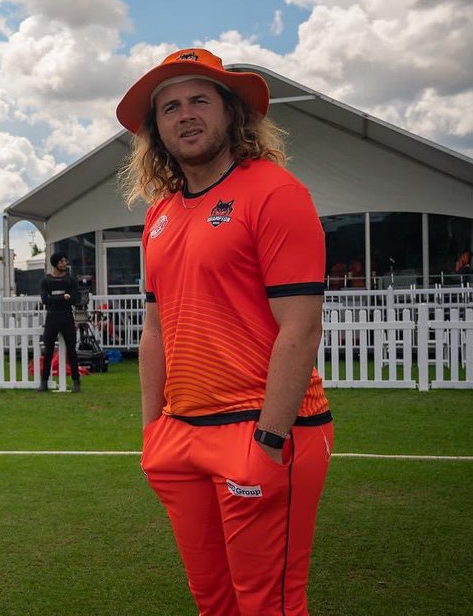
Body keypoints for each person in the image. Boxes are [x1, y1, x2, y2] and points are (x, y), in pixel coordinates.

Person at [116, 47, 334, 615]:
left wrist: (268, 438)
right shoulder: (160, 213)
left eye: (198, 101)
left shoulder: (274, 192)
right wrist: (152, 432)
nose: (185, 116)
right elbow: (157, 328)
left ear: (231, 113)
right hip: (181, 436)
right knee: (212, 602)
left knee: (269, 606)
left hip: (261, 428)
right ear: (156, 130)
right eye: (169, 108)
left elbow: (301, 329)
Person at [38, 252, 81, 392]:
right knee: (48, 350)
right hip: (52, 317)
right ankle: (44, 383)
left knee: (72, 351)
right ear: (55, 263)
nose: (64, 264)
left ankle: (76, 383)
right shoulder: (46, 281)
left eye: (65, 261)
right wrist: (63, 297)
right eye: (62, 261)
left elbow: (75, 299)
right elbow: (45, 300)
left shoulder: (70, 280)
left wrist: (56, 298)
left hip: (67, 316)